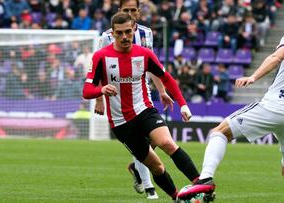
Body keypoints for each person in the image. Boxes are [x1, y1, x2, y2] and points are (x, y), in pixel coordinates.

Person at [178, 1, 284, 203]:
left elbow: (276, 57)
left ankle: (206, 179)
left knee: (219, 132)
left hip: (274, 106)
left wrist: (253, 77)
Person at [83, 12, 200, 201]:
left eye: (128, 32)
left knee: (167, 143)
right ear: (112, 34)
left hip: (144, 110)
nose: (124, 37)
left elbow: (166, 78)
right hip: (121, 123)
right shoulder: (100, 57)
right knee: (157, 167)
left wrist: (183, 104)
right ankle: (177, 197)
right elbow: (87, 90)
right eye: (119, 33)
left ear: (134, 29)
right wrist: (101, 90)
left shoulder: (144, 54)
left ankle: (200, 183)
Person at [93, 0, 174, 199]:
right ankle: (149, 187)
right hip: (117, 94)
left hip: (142, 91)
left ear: (138, 11)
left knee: (151, 140)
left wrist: (162, 91)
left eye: (133, 9)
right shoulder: (106, 36)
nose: (130, 13)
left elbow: (152, 65)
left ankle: (139, 171)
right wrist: (99, 98)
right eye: (126, 10)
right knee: (141, 141)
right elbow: (100, 68)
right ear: (120, 11)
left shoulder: (146, 33)